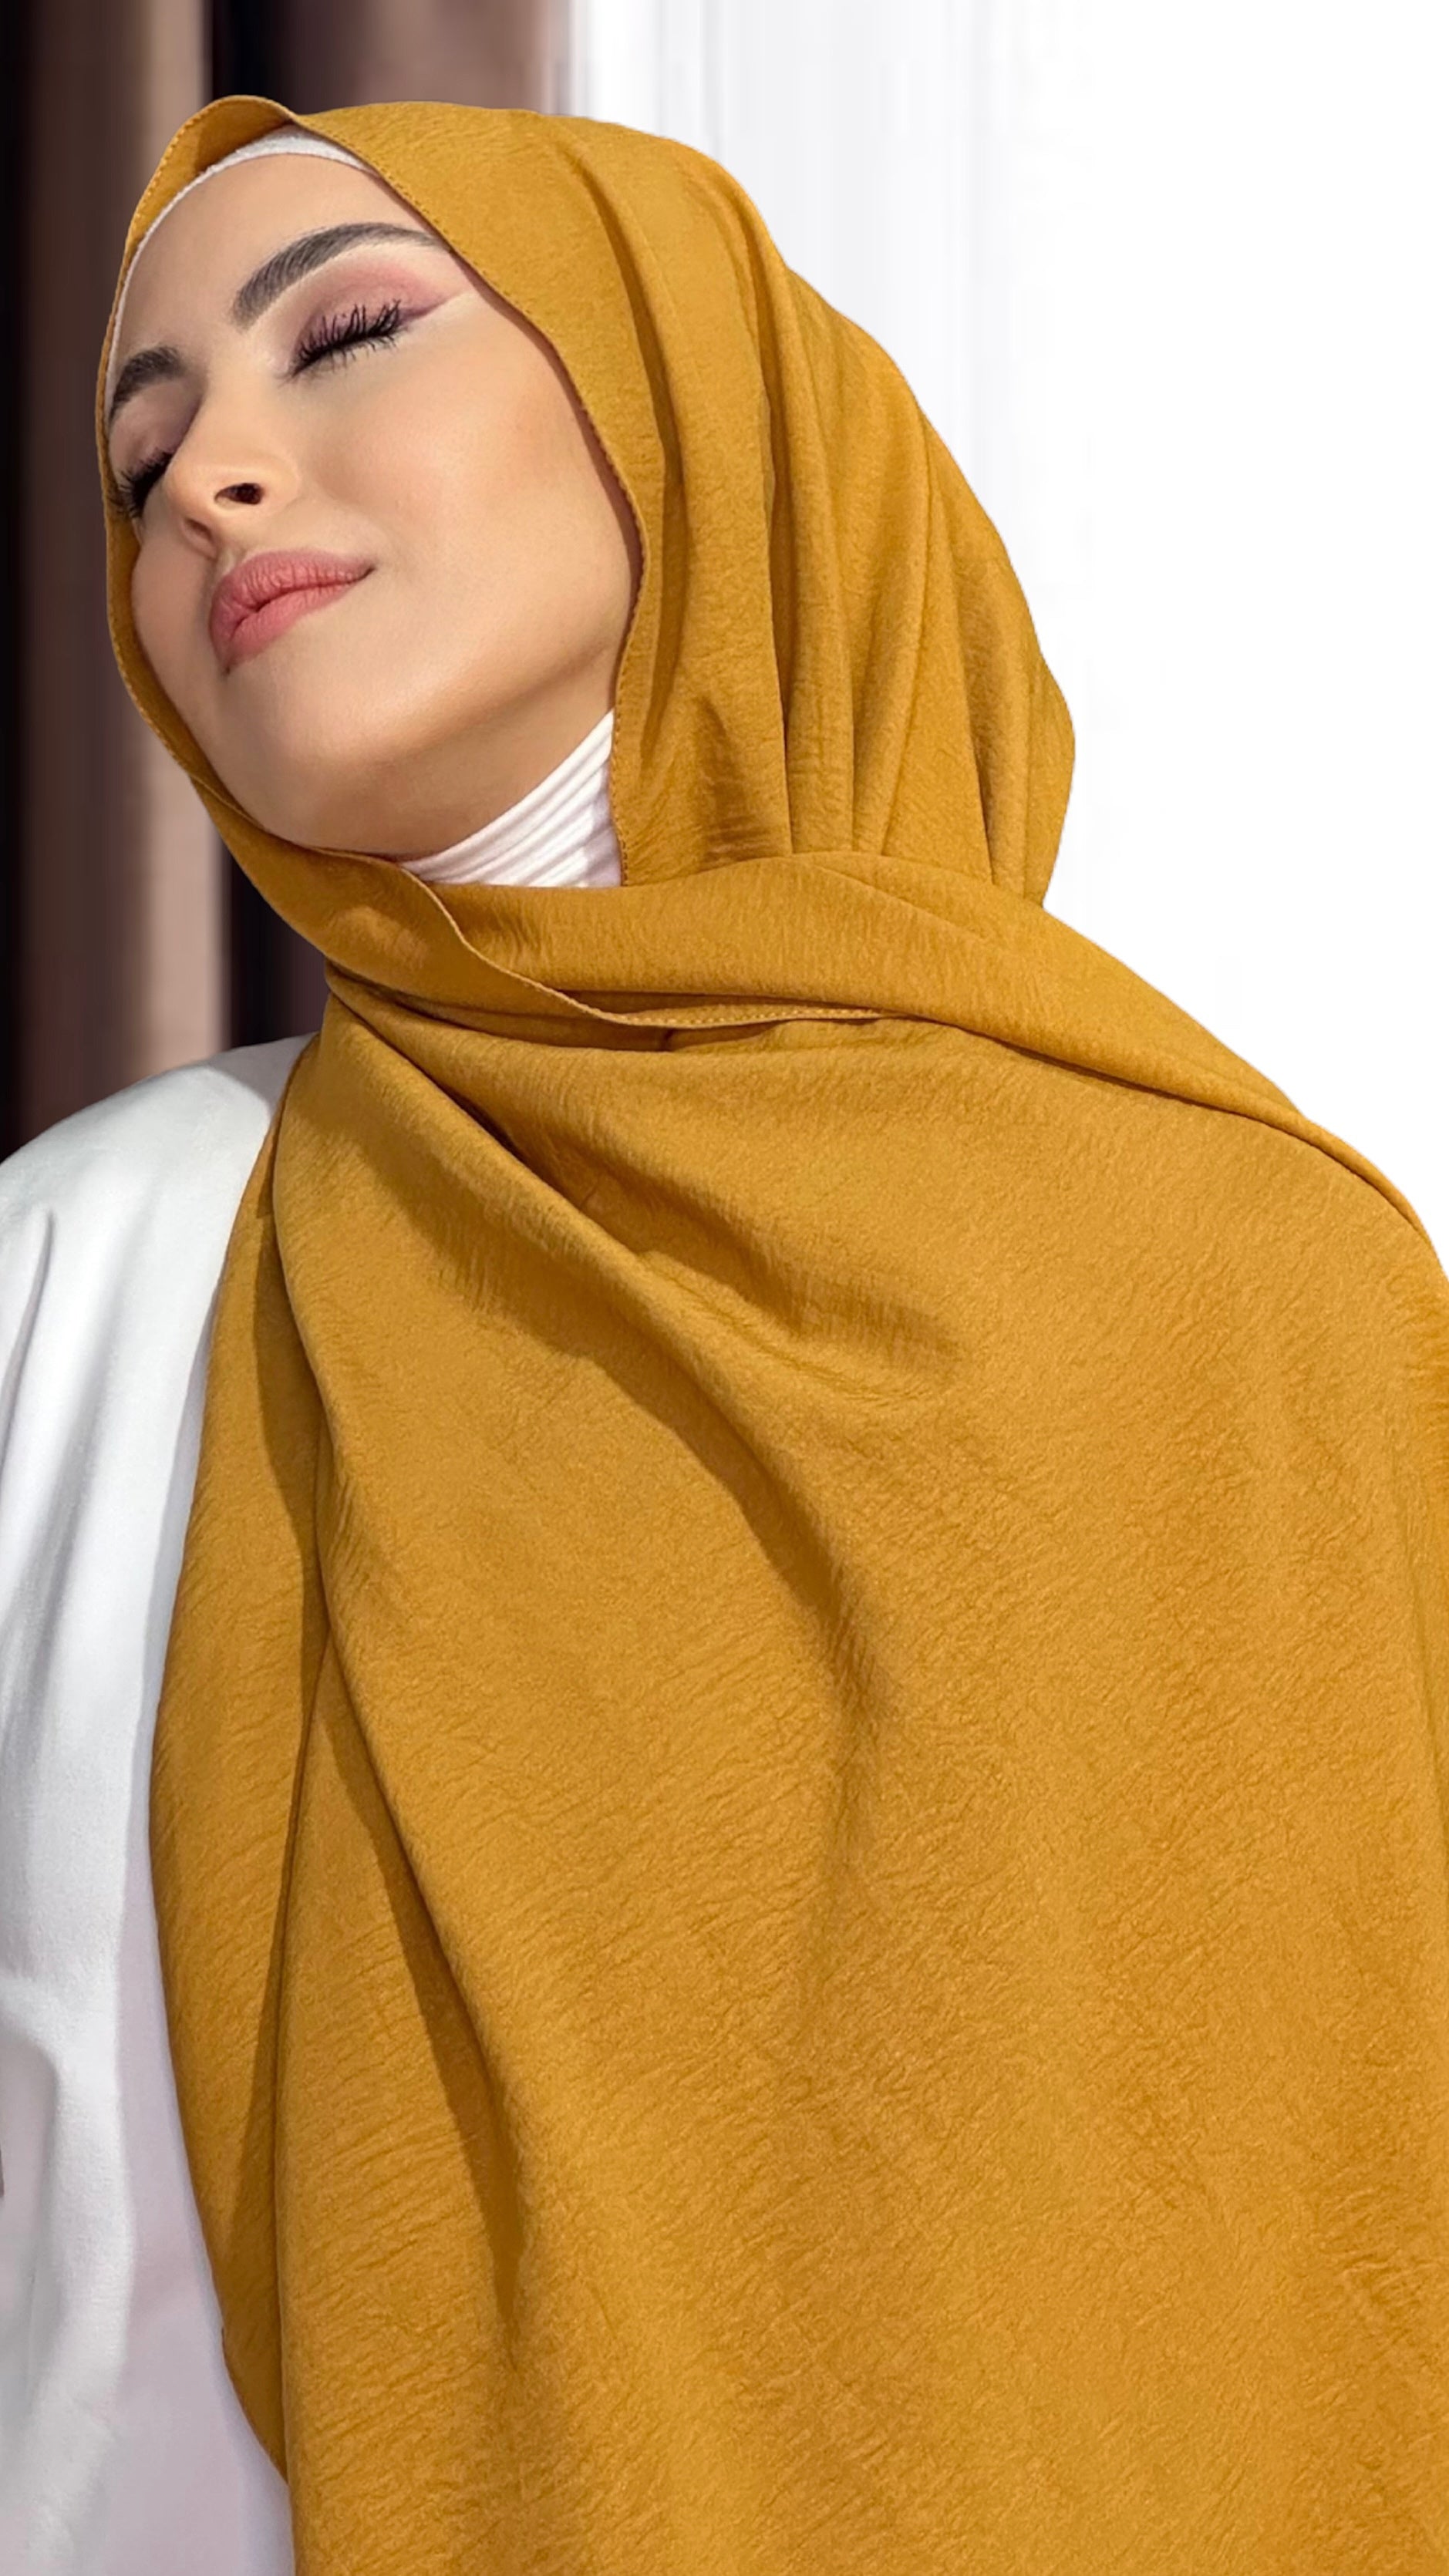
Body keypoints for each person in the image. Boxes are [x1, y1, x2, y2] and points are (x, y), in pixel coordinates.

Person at [2, 93, 1447, 2576]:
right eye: (142, 468)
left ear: (687, 391)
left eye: (345, 335)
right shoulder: (83, 1271)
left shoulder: (1273, 1305)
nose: (211, 481)